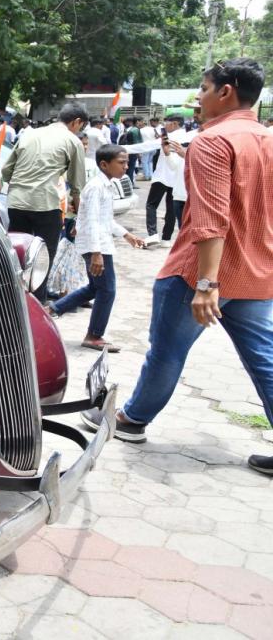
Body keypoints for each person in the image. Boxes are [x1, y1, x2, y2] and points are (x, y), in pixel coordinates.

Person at [81, 58, 273, 456]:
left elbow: (211, 220)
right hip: (257, 273)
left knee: (166, 352)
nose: (199, 99)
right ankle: (134, 416)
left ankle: (132, 420)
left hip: (200, 276)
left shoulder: (213, 140)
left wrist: (207, 283)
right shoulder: (266, 140)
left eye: (203, 89)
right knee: (264, 359)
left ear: (226, 91)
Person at [47, 144, 145, 351]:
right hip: (96, 246)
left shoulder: (106, 185)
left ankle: (53, 309)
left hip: (99, 244)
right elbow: (90, 220)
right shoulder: (96, 187)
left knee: (95, 288)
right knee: (107, 291)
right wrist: (96, 253)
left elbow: (104, 219)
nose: (126, 167)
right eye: (121, 163)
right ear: (104, 164)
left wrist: (127, 235)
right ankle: (94, 335)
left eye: (127, 162)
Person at [0, 102, 89, 302]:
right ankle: (37, 304)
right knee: (43, 258)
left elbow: (6, 172)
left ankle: (12, 299)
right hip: (46, 205)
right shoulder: (72, 141)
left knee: (17, 253)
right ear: (76, 122)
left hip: (16, 203)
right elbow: (77, 186)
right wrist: (79, 214)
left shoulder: (29, 134)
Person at [143, 115, 191, 247]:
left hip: (162, 176)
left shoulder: (167, 138)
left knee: (151, 205)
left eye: (167, 123)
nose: (165, 126)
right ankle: (166, 238)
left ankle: (152, 234)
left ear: (175, 124)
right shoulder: (188, 136)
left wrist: (123, 149)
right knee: (171, 209)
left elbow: (145, 146)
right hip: (175, 178)